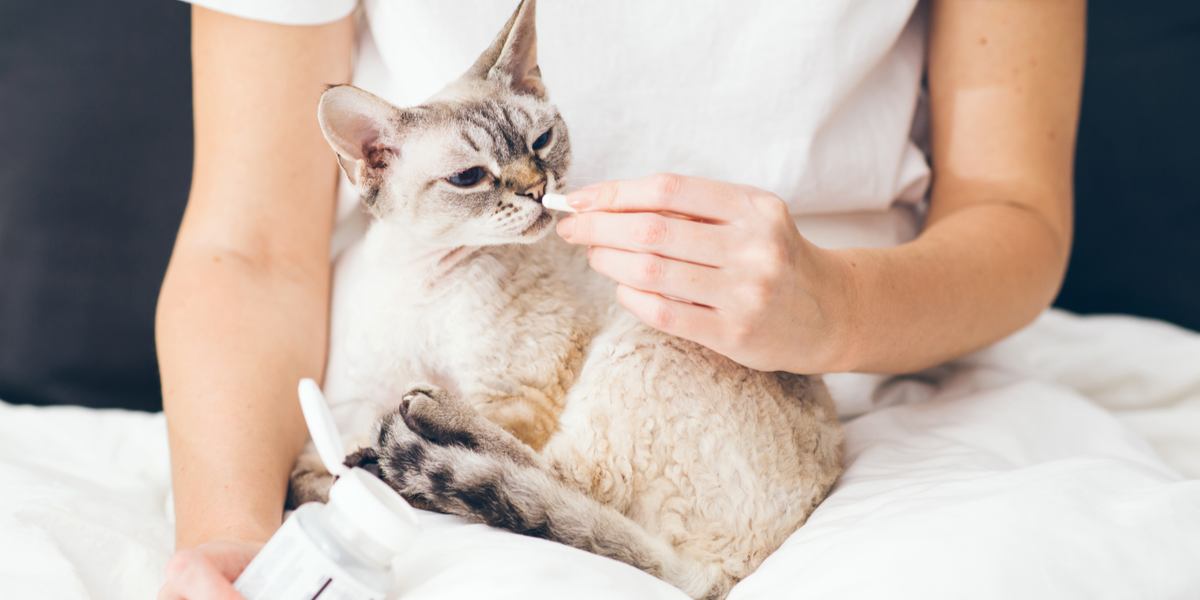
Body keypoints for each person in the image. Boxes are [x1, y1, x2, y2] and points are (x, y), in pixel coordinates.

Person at [156, 1, 1083, 597]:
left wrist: (838, 306)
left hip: (872, 398)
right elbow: (248, 245)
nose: (519, 189)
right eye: (481, 176)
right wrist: (234, 539)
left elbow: (1016, 213)